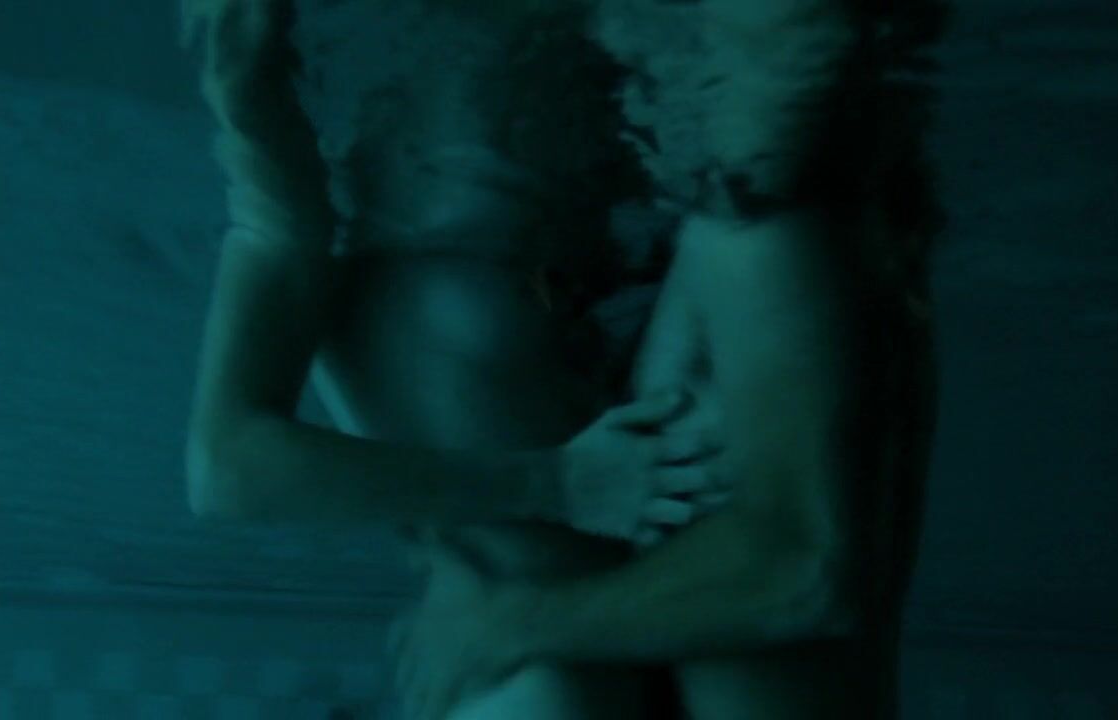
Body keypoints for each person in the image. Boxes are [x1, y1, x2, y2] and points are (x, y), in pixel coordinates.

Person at [388, 0, 950, 719]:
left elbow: (804, 577)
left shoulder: (768, 241)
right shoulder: (768, 237)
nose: (618, 52)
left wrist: (509, 625)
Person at [182, 0, 729, 717]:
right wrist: (557, 483)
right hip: (546, 656)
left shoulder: (364, 210)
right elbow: (230, 469)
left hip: (590, 640)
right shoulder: (317, 191)